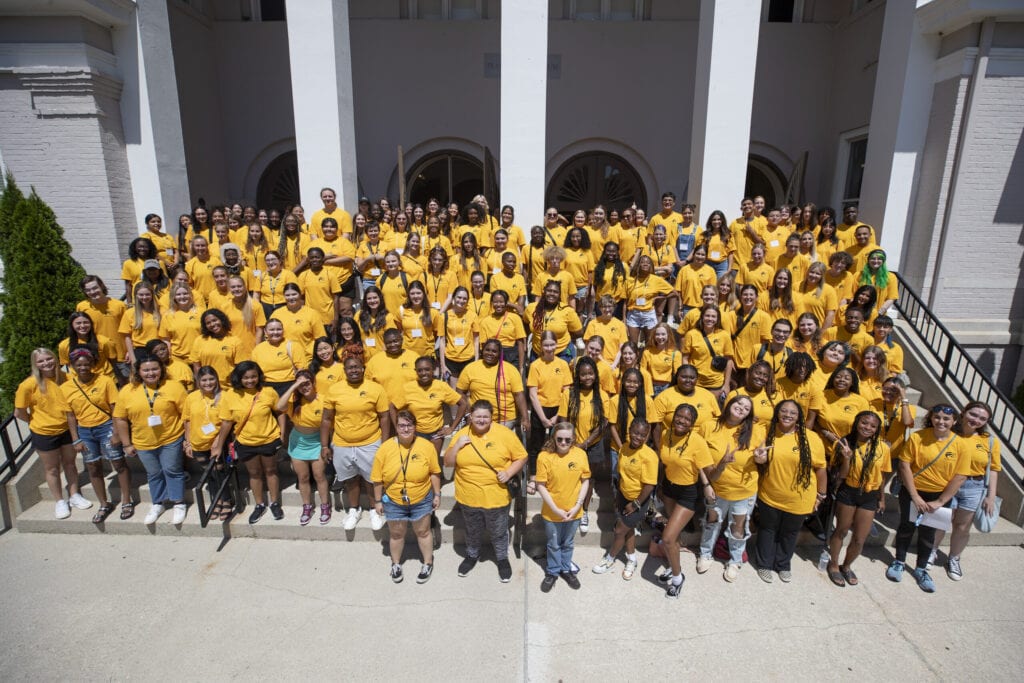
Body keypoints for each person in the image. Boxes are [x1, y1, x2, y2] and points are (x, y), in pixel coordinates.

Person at [887, 404, 972, 593]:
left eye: (946, 419)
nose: (941, 421)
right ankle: (899, 561)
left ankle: (921, 569)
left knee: (928, 533)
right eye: (937, 417)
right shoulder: (918, 437)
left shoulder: (961, 445)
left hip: (940, 496)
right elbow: (904, 465)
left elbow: (960, 476)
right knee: (906, 527)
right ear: (931, 418)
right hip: (913, 491)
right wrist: (915, 496)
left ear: (954, 421)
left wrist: (940, 502)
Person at [444, 400, 528, 582]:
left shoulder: (504, 434)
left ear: (492, 418)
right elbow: (448, 462)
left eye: (485, 417)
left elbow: (522, 456)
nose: (481, 420)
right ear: (470, 417)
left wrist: (509, 472)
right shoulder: (462, 434)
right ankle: (472, 555)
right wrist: (457, 445)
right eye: (477, 416)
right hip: (468, 496)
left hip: (496, 497)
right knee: (473, 530)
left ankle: (502, 559)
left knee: (498, 532)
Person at [754, 400, 827, 583]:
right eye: (784, 411)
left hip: (800, 497)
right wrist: (759, 458)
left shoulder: (811, 437)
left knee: (790, 533)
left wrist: (821, 495)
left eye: (793, 413)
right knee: (767, 530)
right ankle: (764, 564)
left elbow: (820, 469)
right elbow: (757, 458)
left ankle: (783, 564)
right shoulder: (766, 432)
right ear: (777, 413)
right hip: (770, 494)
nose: (788, 415)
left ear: (799, 417)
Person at [15, 348, 92, 519]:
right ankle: (59, 501)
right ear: (35, 364)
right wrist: (36, 421)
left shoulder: (67, 378)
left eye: (49, 359)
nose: (46, 363)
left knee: (70, 464)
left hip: (67, 429)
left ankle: (74, 495)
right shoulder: (28, 384)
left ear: (55, 359)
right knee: (52, 469)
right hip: (44, 433)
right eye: (41, 361)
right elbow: (19, 412)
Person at [928, 401, 1001, 582]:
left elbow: (993, 469)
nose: (976, 420)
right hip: (949, 483)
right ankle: (932, 551)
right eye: (973, 414)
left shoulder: (989, 441)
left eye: (982, 418)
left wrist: (991, 496)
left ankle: (954, 558)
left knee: (962, 526)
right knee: (942, 521)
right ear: (963, 412)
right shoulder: (949, 433)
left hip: (974, 487)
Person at [697, 396, 767, 582]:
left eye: (746, 408)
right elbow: (698, 459)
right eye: (738, 403)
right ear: (729, 404)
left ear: (749, 414)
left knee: (738, 527)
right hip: (716, 488)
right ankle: (705, 553)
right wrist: (705, 485)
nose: (741, 408)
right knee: (712, 522)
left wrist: (761, 457)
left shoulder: (756, 431)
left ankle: (735, 561)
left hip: (743, 490)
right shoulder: (708, 426)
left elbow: (761, 458)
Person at [114, 355, 189, 525]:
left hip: (171, 437)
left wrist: (187, 439)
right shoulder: (127, 390)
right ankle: (158, 503)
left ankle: (178, 502)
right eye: (146, 370)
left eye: (155, 369)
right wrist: (126, 443)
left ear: (161, 369)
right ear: (139, 372)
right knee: (154, 473)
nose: (151, 373)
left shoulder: (174, 387)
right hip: (142, 441)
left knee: (172, 469)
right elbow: (120, 418)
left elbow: (186, 415)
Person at [371, 410, 442, 584]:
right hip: (394, 500)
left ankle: (427, 562)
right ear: (396, 427)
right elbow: (377, 479)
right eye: (402, 425)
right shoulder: (385, 448)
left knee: (423, 531)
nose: (405, 429)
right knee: (396, 534)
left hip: (421, 498)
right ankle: (395, 564)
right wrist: (378, 500)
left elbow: (434, 472)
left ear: (415, 427)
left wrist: (437, 494)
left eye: (409, 425)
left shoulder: (426, 446)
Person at [321, 356, 391, 531]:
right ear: (344, 371)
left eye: (357, 367)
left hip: (370, 442)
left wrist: (384, 443)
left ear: (363, 368)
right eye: (350, 368)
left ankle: (376, 508)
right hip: (342, 443)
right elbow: (326, 419)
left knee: (372, 478)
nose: (353, 370)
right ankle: (354, 509)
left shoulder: (375, 388)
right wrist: (324, 445)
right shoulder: (334, 389)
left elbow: (384, 417)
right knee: (350, 479)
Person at [62, 348, 129, 523]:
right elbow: (70, 415)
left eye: (86, 364)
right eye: (79, 365)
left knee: (118, 462)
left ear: (92, 364)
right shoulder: (66, 387)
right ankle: (103, 503)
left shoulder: (105, 381)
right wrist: (75, 438)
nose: (83, 367)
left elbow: (115, 407)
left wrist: (116, 432)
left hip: (106, 426)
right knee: (93, 467)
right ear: (72, 366)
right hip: (84, 430)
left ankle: (126, 500)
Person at [211, 361, 284, 524]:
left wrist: (282, 432)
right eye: (246, 378)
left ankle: (275, 502)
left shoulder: (268, 392)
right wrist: (218, 445)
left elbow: (280, 412)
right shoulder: (229, 395)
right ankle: (259, 504)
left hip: (268, 438)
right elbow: (226, 423)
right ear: (239, 378)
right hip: (245, 441)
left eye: (253, 377)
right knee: (255, 473)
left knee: (271, 471)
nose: (250, 380)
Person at [654, 404, 715, 597]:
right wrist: (661, 486)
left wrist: (709, 482)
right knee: (675, 535)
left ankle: (678, 578)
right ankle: (673, 566)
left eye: (687, 419)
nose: (682, 420)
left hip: (688, 493)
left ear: (692, 423)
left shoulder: (697, 441)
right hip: (670, 488)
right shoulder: (666, 434)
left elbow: (708, 470)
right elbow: (665, 462)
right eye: (679, 416)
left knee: (668, 537)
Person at [825, 411, 890, 587]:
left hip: (869, 495)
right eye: (864, 423)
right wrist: (847, 458)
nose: (867, 428)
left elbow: (882, 475)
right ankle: (833, 564)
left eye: (872, 426)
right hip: (848, 491)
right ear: (856, 423)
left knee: (860, 538)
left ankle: (846, 566)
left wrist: (882, 498)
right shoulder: (844, 443)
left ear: (877, 429)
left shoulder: (883, 448)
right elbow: (842, 475)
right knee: (841, 530)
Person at [593, 417, 657, 580]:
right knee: (628, 531)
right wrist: (619, 497)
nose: (638, 437)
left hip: (638, 502)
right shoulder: (623, 449)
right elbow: (622, 474)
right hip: (623, 496)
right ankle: (631, 559)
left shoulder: (650, 456)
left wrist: (635, 504)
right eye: (635, 433)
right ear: (629, 431)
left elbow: (649, 485)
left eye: (642, 435)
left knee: (620, 530)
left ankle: (610, 558)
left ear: (647, 436)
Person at [535, 422, 591, 592]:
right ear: (554, 438)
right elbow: (541, 485)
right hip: (552, 513)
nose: (563, 443)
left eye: (568, 439)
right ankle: (552, 572)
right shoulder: (544, 457)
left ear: (573, 439)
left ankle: (565, 569)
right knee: (553, 544)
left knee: (568, 543)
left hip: (574, 512)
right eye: (559, 439)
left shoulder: (580, 454)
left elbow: (585, 481)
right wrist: (555, 509)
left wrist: (578, 506)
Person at [557, 356, 609, 533]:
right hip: (570, 443)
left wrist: (585, 443)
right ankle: (567, 507)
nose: (587, 377)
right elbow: (563, 420)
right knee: (569, 476)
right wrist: (569, 442)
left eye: (590, 373)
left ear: (595, 374)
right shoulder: (569, 393)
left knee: (588, 479)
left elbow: (603, 423)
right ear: (577, 376)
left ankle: (583, 509)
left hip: (592, 445)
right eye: (583, 374)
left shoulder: (602, 395)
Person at [276, 370, 332, 526]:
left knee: (319, 475)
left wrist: (327, 444)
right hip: (298, 443)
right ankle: (307, 507)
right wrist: (294, 386)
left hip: (317, 441)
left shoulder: (323, 400)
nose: (304, 387)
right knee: (303, 477)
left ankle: (325, 506)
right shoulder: (294, 402)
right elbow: (279, 406)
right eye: (301, 384)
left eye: (307, 383)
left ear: (313, 383)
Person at [182, 366, 233, 522]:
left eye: (211, 379)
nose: (208, 383)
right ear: (198, 381)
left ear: (217, 379)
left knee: (219, 472)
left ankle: (227, 501)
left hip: (217, 443)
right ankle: (216, 500)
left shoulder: (223, 396)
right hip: (198, 443)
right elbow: (187, 420)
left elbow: (227, 421)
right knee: (209, 474)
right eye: (204, 380)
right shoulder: (192, 397)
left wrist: (218, 443)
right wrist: (188, 442)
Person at [392, 356, 468, 457]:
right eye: (420, 370)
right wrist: (398, 427)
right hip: (415, 433)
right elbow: (392, 407)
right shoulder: (408, 388)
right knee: (418, 462)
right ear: (416, 371)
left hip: (436, 434)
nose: (424, 373)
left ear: (433, 369)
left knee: (434, 464)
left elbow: (463, 404)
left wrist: (452, 428)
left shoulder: (441, 386)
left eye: (427, 369)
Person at [526, 332, 572, 467]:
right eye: (546, 345)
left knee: (559, 443)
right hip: (540, 409)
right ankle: (534, 475)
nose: (550, 348)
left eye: (552, 344)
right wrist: (543, 419)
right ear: (541, 346)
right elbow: (533, 394)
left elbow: (567, 391)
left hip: (559, 408)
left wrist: (557, 416)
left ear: (557, 345)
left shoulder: (563, 364)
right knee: (536, 445)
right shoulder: (535, 365)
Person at [680, 304, 735, 401]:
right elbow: (685, 358)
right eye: (707, 316)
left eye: (713, 316)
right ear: (702, 317)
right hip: (696, 383)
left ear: (718, 319)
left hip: (716, 384)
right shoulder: (691, 334)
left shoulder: (724, 335)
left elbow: (729, 361)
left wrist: (726, 385)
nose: (710, 319)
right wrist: (688, 378)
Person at [524, 280, 583, 361]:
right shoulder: (531, 308)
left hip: (562, 354)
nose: (552, 293)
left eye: (555, 292)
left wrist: (561, 339)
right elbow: (526, 324)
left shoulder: (567, 310)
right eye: (549, 291)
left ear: (559, 295)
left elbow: (579, 332)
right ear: (544, 292)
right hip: (538, 354)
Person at [623, 254, 673, 346]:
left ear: (651, 266)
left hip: (648, 314)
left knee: (650, 344)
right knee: (633, 345)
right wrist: (624, 320)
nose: (645, 264)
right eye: (642, 262)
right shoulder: (630, 280)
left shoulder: (656, 280)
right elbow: (625, 303)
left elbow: (674, 293)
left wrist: (658, 298)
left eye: (648, 263)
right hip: (633, 315)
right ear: (638, 265)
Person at [251, 319, 308, 395]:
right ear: (265, 331)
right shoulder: (258, 349)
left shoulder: (293, 346)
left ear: (283, 330)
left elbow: (302, 369)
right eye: (272, 330)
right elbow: (254, 371)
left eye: (279, 329)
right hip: (265, 387)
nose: (275, 332)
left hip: (289, 386)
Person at [190, 309, 243, 388]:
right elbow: (197, 366)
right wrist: (199, 386)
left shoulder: (235, 341)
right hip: (208, 387)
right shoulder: (199, 340)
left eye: (214, 320)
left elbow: (239, 367)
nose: (212, 324)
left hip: (228, 388)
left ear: (222, 320)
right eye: (208, 323)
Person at [477, 289, 527, 372]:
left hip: (511, 356)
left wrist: (521, 367)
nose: (498, 305)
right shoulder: (485, 321)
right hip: (493, 356)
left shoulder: (515, 318)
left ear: (506, 303)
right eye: (495, 302)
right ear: (492, 303)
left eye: (501, 302)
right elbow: (483, 346)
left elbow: (520, 343)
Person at [438, 286, 478, 387]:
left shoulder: (472, 316)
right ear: (453, 299)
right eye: (459, 297)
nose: (461, 300)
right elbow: (442, 341)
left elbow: (476, 339)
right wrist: (443, 365)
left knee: (468, 393)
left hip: (468, 359)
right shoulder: (444, 316)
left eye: (465, 298)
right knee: (454, 393)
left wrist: (476, 361)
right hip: (451, 359)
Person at [269, 283, 321, 353]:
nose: (291, 298)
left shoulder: (312, 313)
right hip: (284, 357)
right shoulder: (276, 314)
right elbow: (269, 336)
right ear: (284, 296)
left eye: (294, 294)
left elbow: (320, 338)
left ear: (300, 295)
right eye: (287, 295)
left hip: (307, 357)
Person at [119, 282, 162, 367]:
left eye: (147, 294)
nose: (144, 297)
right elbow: (127, 337)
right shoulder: (130, 313)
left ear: (152, 294)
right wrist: (132, 356)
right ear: (136, 295)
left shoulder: (160, 311)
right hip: (139, 351)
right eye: (141, 295)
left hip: (157, 350)